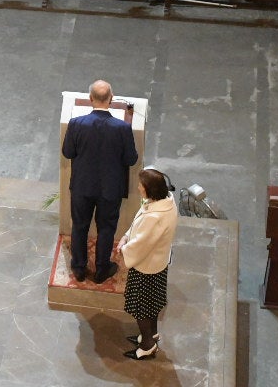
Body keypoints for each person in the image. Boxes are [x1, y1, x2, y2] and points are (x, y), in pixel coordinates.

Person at [62, 80, 138, 284]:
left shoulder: (76, 123)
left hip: (82, 186)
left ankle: (79, 267)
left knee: (80, 225)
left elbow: (68, 152)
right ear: (111, 99)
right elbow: (131, 159)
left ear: (90, 99)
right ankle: (102, 269)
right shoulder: (122, 128)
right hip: (110, 188)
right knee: (106, 228)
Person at [119, 167, 179, 361]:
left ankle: (147, 346)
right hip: (158, 263)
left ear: (150, 190)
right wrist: (128, 235)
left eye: (141, 185)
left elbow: (142, 243)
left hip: (146, 267)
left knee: (141, 307)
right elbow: (139, 225)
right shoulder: (164, 202)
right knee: (152, 304)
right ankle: (151, 335)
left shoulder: (155, 217)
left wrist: (123, 248)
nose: (138, 187)